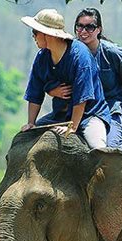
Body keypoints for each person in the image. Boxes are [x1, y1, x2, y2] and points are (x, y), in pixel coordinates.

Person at [48, 7, 122, 152]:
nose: (83, 31)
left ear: (99, 29)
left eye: (89, 27)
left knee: (111, 149)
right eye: (79, 26)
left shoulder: (114, 53)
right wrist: (51, 91)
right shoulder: (69, 52)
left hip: (112, 109)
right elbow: (50, 77)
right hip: (82, 110)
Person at [20, 8, 111, 150]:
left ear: (46, 34)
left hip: (89, 115)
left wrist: (73, 126)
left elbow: (82, 97)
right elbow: (34, 92)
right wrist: (31, 123)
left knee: (98, 149)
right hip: (60, 115)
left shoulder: (80, 56)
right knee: (25, 139)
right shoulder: (42, 57)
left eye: (35, 33)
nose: (34, 37)